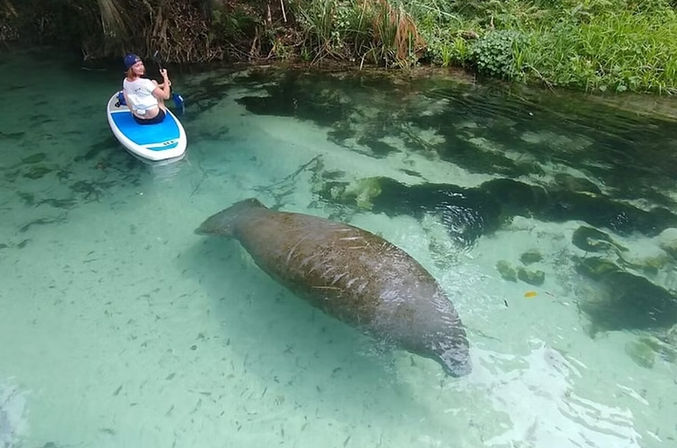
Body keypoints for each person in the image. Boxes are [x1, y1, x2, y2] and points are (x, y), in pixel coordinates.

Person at [121, 53, 171, 125]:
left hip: (139, 119)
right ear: (130, 69)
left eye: (141, 64)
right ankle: (161, 106)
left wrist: (162, 85)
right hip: (156, 118)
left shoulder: (125, 81)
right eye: (137, 66)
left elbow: (142, 88)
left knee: (125, 91)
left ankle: (132, 112)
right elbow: (166, 96)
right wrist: (165, 77)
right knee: (154, 82)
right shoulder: (146, 83)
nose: (141, 67)